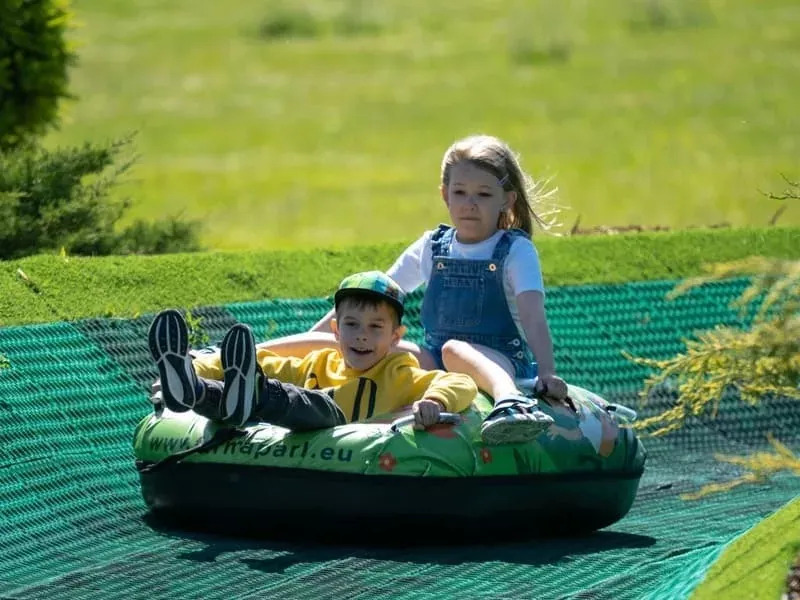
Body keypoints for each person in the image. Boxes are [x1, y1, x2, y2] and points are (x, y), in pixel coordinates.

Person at [310, 134, 571, 445]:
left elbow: (533, 317)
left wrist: (548, 372)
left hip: (499, 362)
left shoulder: (516, 251)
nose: (469, 204)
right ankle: (273, 373)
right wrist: (322, 337)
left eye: (484, 194)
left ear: (507, 199)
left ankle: (511, 403)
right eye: (460, 192)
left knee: (454, 349)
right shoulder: (433, 247)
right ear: (445, 194)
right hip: (438, 360)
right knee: (372, 344)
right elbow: (373, 295)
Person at [147, 271, 477, 431]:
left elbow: (460, 383)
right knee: (249, 385)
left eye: (375, 328)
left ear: (395, 337)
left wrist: (434, 402)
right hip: (280, 414)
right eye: (352, 325)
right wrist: (199, 365)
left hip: (336, 427)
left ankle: (252, 396)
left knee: (304, 401)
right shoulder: (320, 362)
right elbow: (262, 360)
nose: (362, 337)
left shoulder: (398, 372)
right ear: (335, 330)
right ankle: (191, 389)